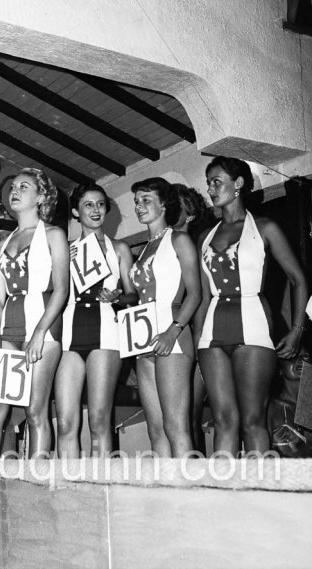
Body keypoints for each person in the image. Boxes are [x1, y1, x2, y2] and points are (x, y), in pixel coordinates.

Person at [194, 156, 308, 457]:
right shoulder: (204, 238)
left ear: (238, 184)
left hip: (253, 328)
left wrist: (297, 330)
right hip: (211, 335)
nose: (211, 188)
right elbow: (204, 298)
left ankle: (258, 497)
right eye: (209, 183)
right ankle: (225, 494)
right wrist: (196, 345)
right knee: (223, 420)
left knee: (253, 420)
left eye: (216, 181)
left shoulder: (265, 227)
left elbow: (298, 279)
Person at [0, 168, 69, 459]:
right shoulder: (4, 242)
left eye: (24, 186)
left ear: (40, 197)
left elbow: (62, 290)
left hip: (43, 328)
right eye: (13, 186)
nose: (14, 191)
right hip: (8, 328)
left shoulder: (54, 234)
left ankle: (37, 485)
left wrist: (40, 333)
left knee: (35, 410)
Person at [54, 183, 136, 458]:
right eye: (88, 205)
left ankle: (102, 490)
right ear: (76, 212)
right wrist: (63, 265)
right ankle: (68, 488)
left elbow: (133, 296)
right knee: (65, 422)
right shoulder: (64, 248)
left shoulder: (120, 248)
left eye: (100, 204)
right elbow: (49, 292)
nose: (95, 209)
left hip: (106, 334)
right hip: (68, 334)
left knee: (99, 420)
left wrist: (116, 297)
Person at [128, 177, 201, 457]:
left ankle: (191, 496)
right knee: (155, 428)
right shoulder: (144, 248)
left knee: (175, 426)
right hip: (143, 341)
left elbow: (194, 293)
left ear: (163, 204)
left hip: (173, 337)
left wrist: (173, 330)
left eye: (146, 200)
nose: (139, 206)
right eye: (136, 201)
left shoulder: (179, 239)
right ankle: (165, 494)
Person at [172, 184, 210, 452]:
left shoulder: (194, 248)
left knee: (189, 418)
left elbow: (201, 297)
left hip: (193, 337)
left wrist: (199, 342)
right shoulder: (162, 246)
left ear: (191, 215)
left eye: (178, 206)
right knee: (175, 419)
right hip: (165, 340)